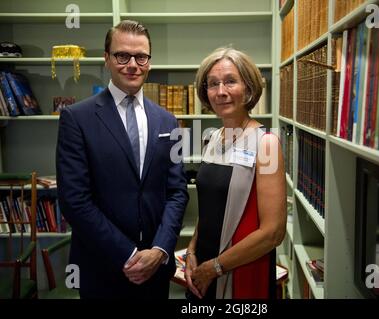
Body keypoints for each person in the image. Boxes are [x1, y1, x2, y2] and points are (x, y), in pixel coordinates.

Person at [56, 20, 188, 299]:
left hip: (155, 269)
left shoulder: (168, 120)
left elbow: (177, 192)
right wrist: (128, 255)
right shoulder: (76, 119)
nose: (132, 64)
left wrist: (160, 250)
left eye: (141, 56)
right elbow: (74, 200)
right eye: (122, 55)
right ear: (106, 59)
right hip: (102, 267)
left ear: (149, 61)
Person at [185, 47, 287, 299]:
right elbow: (209, 207)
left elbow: (273, 232)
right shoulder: (211, 138)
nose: (221, 91)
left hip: (240, 270)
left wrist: (215, 267)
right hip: (203, 266)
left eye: (230, 81)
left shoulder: (266, 143)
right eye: (213, 84)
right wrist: (191, 250)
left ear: (248, 88)